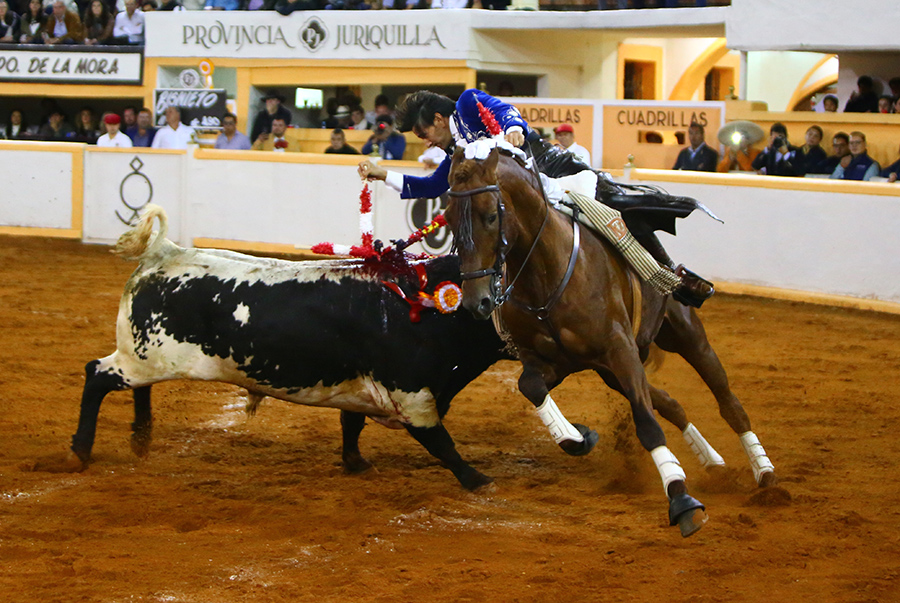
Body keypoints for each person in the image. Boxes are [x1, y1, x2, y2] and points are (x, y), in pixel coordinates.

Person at [358, 89, 714, 308]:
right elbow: (432, 186)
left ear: (438, 118)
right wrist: (381, 174)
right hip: (531, 190)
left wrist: (513, 129)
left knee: (617, 208)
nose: (425, 140)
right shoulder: (457, 153)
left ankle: (673, 274)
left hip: (553, 169)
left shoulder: (467, 104)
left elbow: (503, 111)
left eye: (424, 132)